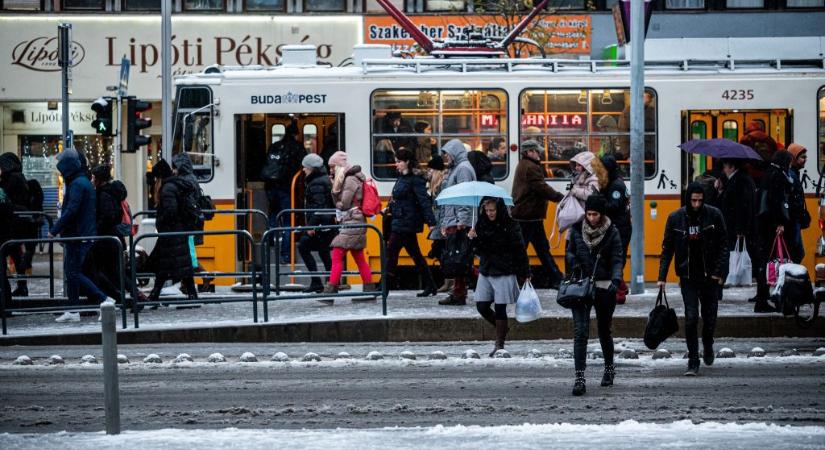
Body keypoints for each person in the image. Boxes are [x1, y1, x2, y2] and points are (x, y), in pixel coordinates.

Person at [658, 183, 729, 376]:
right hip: (687, 276)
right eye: (693, 200)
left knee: (709, 318)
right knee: (691, 318)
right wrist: (662, 277)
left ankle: (707, 343)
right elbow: (667, 248)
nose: (696, 204)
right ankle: (693, 359)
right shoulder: (675, 218)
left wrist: (718, 273)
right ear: (688, 199)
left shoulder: (714, 215)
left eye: (700, 200)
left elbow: (724, 244)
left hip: (709, 276)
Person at [565, 194, 624, 396]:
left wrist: (616, 280)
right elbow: (569, 253)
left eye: (595, 214)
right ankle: (579, 378)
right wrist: (574, 264)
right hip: (581, 287)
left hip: (604, 285)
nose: (591, 218)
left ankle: (609, 369)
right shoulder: (575, 230)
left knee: (603, 330)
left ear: (602, 214)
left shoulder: (612, 232)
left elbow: (617, 258)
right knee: (580, 332)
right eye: (588, 214)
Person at [49, 149, 112, 322]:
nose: (60, 171)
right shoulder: (81, 181)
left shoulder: (77, 184)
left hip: (78, 235)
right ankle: (74, 309)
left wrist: (54, 230)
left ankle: (105, 300)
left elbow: (71, 210)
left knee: (74, 273)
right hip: (80, 234)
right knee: (73, 273)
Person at [469, 197, 529, 357]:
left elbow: (519, 250)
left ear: (499, 209)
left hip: (504, 269)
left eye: (492, 210)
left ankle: (499, 344)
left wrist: (525, 273)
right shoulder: (481, 224)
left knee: (500, 307)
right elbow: (477, 250)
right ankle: (502, 327)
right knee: (481, 305)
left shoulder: (510, 225)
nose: (489, 213)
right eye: (487, 210)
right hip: (487, 269)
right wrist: (472, 239)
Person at [511, 140, 565, 289]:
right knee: (534, 250)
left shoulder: (523, 165)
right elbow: (542, 188)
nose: (539, 153)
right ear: (529, 152)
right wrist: (560, 198)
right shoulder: (531, 168)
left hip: (527, 215)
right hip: (528, 216)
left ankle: (556, 277)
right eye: (536, 151)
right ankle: (554, 278)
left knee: (538, 249)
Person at [384, 148, 437, 296]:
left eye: (399, 161)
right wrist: (389, 209)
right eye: (396, 161)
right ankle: (431, 284)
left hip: (407, 222)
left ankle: (385, 287)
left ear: (407, 162)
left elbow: (424, 201)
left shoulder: (415, 179)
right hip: (400, 220)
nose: (397, 164)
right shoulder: (402, 177)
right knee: (416, 255)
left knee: (391, 252)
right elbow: (399, 199)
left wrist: (431, 221)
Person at [146, 158, 198, 303]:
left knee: (165, 266)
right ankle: (191, 295)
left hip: (171, 232)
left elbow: (170, 210)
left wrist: (161, 222)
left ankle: (155, 295)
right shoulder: (174, 185)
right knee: (181, 265)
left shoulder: (167, 188)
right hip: (176, 231)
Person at [323, 151, 375, 297]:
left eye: (333, 167)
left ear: (339, 166)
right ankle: (369, 289)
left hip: (353, 220)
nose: (331, 170)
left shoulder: (350, 180)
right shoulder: (348, 178)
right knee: (359, 257)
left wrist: (334, 190)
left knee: (337, 254)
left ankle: (330, 290)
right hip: (354, 220)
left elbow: (344, 204)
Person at [753, 150, 794, 312]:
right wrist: (780, 222)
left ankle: (763, 298)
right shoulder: (777, 175)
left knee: (766, 261)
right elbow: (777, 200)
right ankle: (765, 299)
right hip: (770, 225)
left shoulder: (768, 173)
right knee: (772, 261)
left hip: (763, 224)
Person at [437, 139, 477, 305]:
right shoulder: (458, 168)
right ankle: (458, 292)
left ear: (455, 152)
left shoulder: (462, 169)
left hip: (458, 220)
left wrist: (462, 219)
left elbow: (464, 195)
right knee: (459, 260)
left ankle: (463, 291)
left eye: (447, 154)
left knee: (460, 259)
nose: (446, 157)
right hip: (453, 218)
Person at [85, 164, 129, 304]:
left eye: (94, 178)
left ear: (99, 179)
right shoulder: (110, 192)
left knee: (105, 272)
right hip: (111, 238)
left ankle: (121, 298)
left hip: (106, 239)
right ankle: (124, 297)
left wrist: (95, 229)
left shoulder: (104, 194)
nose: (92, 181)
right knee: (111, 272)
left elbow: (107, 217)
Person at [264, 123, 305, 263]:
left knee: (273, 215)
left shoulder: (275, 145)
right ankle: (285, 254)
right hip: (287, 188)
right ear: (296, 134)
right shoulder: (297, 147)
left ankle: (268, 245)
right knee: (288, 221)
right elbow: (304, 165)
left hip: (270, 187)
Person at [297, 153, 335, 293]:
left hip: (320, 225)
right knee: (324, 252)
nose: (303, 170)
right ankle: (329, 283)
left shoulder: (316, 183)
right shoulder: (322, 179)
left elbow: (319, 208)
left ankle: (319, 282)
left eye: (305, 167)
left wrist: (311, 226)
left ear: (312, 168)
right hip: (326, 225)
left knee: (303, 246)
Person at [718, 159, 758, 276]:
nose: (724, 170)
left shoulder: (740, 181)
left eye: (725, 167)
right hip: (736, 226)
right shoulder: (739, 179)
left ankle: (737, 275)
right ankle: (737, 275)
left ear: (732, 167)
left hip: (737, 227)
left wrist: (741, 229)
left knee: (737, 253)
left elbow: (743, 207)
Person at [0, 153, 33, 297]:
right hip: (19, 223)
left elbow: (6, 198)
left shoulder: (11, 179)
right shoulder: (20, 177)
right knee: (17, 255)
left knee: (9, 253)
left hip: (12, 223)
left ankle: (15, 288)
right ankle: (21, 285)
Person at [600, 154, 631, 302]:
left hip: (620, 228)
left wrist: (598, 202)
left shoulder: (616, 185)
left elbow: (614, 206)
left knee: (616, 259)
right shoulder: (614, 182)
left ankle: (619, 293)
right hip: (618, 226)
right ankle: (621, 287)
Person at [425, 155, 452, 294]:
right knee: (442, 251)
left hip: (442, 221)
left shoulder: (443, 183)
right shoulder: (435, 184)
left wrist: (443, 224)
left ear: (435, 170)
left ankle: (450, 281)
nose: (428, 173)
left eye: (430, 170)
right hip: (439, 220)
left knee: (442, 251)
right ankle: (448, 281)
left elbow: (444, 205)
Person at [787, 143, 810, 263]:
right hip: (793, 220)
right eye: (802, 157)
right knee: (797, 252)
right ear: (794, 158)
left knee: (797, 252)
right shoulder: (792, 175)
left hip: (794, 219)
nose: (805, 159)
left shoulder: (793, 174)